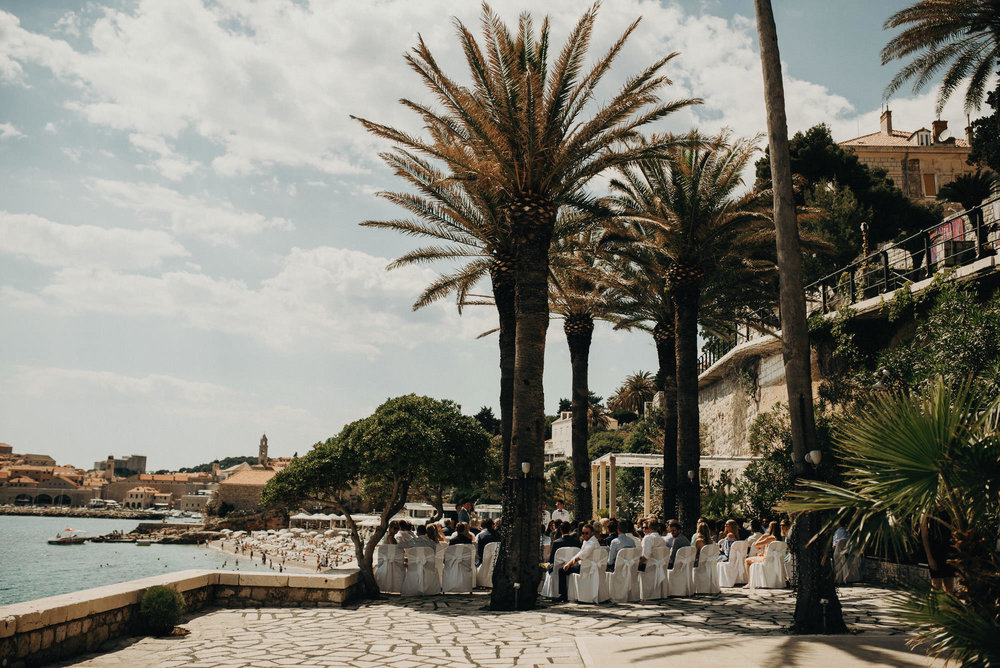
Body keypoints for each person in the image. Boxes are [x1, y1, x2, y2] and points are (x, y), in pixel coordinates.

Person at [557, 523, 600, 601]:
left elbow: (582, 555)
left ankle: (563, 595)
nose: (584, 535)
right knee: (564, 568)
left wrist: (569, 563)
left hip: (586, 567)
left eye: (586, 533)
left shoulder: (591, 543)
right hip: (586, 565)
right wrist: (570, 562)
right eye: (582, 533)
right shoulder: (588, 541)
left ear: (592, 533)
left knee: (561, 571)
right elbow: (579, 554)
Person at [744, 521, 780, 585]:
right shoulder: (779, 538)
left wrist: (763, 537)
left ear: (770, 528)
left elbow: (756, 544)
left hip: (766, 560)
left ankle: (749, 582)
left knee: (747, 561)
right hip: (775, 560)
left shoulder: (770, 538)